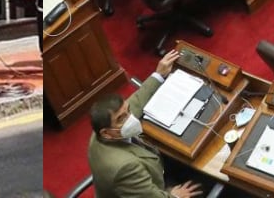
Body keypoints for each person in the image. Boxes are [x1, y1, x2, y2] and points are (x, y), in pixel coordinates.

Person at [87, 51, 204, 198]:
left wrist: (158, 75)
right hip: (154, 189)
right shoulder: (125, 167)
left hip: (150, 168)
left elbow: (135, 102)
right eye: (121, 118)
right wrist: (174, 195)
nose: (130, 118)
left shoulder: (101, 129)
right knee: (206, 184)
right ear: (106, 133)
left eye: (128, 111)